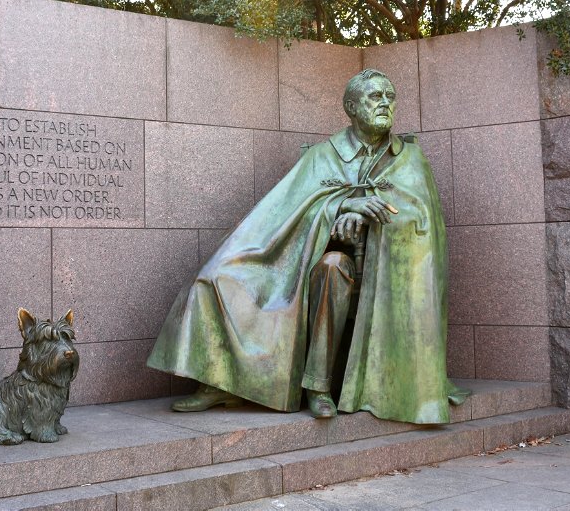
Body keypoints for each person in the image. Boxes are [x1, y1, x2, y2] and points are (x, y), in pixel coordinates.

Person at [147, 69, 469, 423]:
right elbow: (283, 211)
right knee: (214, 279)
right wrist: (340, 207)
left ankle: (318, 386)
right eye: (375, 97)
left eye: (389, 97)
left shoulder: (408, 158)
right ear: (351, 107)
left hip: (371, 268)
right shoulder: (321, 156)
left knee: (333, 268)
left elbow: (420, 220)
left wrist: (365, 218)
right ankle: (221, 380)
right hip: (300, 258)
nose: (385, 104)